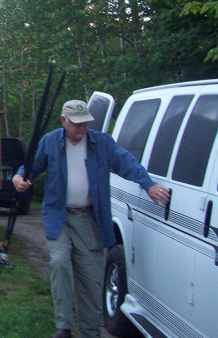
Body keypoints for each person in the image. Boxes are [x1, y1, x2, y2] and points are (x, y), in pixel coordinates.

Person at [12, 99, 170, 338]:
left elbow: (126, 162)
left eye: (85, 122)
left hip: (89, 219)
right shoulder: (51, 142)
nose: (81, 127)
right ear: (64, 121)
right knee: (59, 262)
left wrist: (148, 184)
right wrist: (19, 177)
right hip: (59, 217)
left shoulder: (102, 143)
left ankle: (89, 332)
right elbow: (31, 167)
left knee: (91, 279)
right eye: (76, 123)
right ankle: (63, 327)